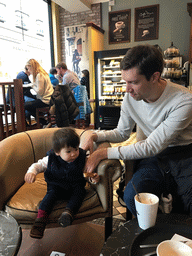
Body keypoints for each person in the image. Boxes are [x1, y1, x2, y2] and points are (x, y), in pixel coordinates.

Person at [81, 44, 192, 217]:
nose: (127, 89)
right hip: (154, 159)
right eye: (125, 81)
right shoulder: (130, 98)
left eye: (133, 82)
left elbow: (151, 146)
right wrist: (94, 135)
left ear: (155, 76)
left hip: (184, 156)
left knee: (188, 206)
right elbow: (122, 133)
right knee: (133, 197)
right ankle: (154, 234)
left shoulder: (184, 101)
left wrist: (102, 154)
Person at [24, 128, 100, 239]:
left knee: (79, 194)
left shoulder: (82, 158)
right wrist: (31, 172)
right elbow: (38, 165)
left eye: (76, 149)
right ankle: (40, 221)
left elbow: (88, 173)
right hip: (56, 186)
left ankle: (67, 214)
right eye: (68, 151)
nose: (74, 154)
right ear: (57, 152)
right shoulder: (51, 158)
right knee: (49, 198)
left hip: (75, 186)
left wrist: (93, 179)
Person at [24, 59, 54, 125]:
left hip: (45, 100)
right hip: (49, 99)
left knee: (25, 105)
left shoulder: (39, 75)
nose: (28, 71)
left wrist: (32, 85)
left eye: (28, 68)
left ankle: (43, 122)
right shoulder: (44, 73)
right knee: (30, 103)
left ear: (31, 67)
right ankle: (42, 120)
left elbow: (40, 92)